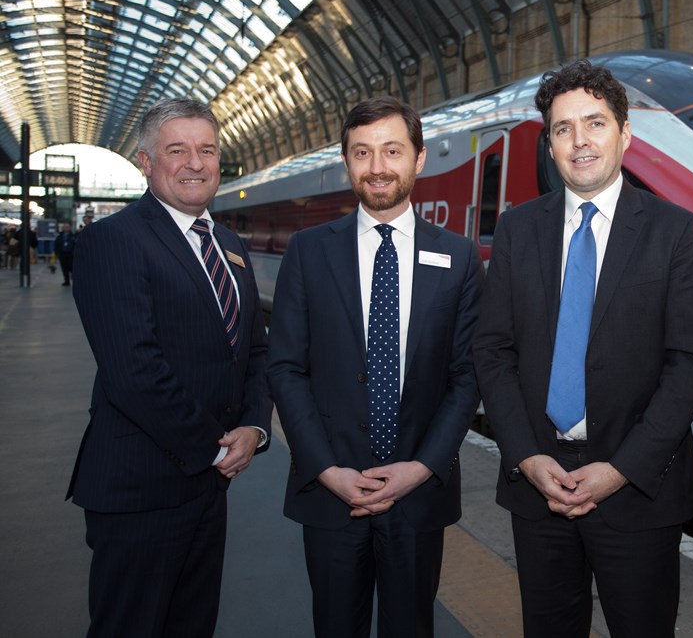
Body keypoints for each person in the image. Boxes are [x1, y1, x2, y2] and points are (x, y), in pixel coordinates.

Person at [474, 59, 693, 638]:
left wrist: (620, 470)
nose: (580, 141)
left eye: (595, 123)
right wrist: (527, 457)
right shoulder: (518, 229)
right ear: (550, 145)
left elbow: (688, 366)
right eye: (563, 129)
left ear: (625, 134)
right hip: (539, 484)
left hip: (637, 490)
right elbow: (492, 351)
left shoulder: (676, 231)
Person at [268, 96, 483, 638]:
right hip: (331, 492)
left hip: (418, 495)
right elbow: (286, 368)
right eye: (362, 153)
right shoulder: (308, 250)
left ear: (419, 159)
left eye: (392, 150)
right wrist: (324, 468)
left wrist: (422, 467)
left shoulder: (458, 258)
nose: (378, 166)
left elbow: (467, 376)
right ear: (346, 162)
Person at [67, 98, 272, 638]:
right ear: (145, 162)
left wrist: (253, 427)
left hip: (207, 487)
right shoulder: (112, 242)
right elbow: (135, 372)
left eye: (206, 150)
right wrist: (215, 448)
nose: (194, 163)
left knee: (192, 625)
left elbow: (253, 350)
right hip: (141, 490)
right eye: (176, 149)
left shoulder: (230, 246)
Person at [55, 221, 75, 285]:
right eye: (65, 227)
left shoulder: (73, 236)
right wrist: (57, 253)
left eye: (67, 227)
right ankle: (66, 281)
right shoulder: (60, 236)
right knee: (64, 268)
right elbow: (57, 245)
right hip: (62, 254)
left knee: (71, 267)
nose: (66, 228)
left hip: (71, 254)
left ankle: (74, 279)